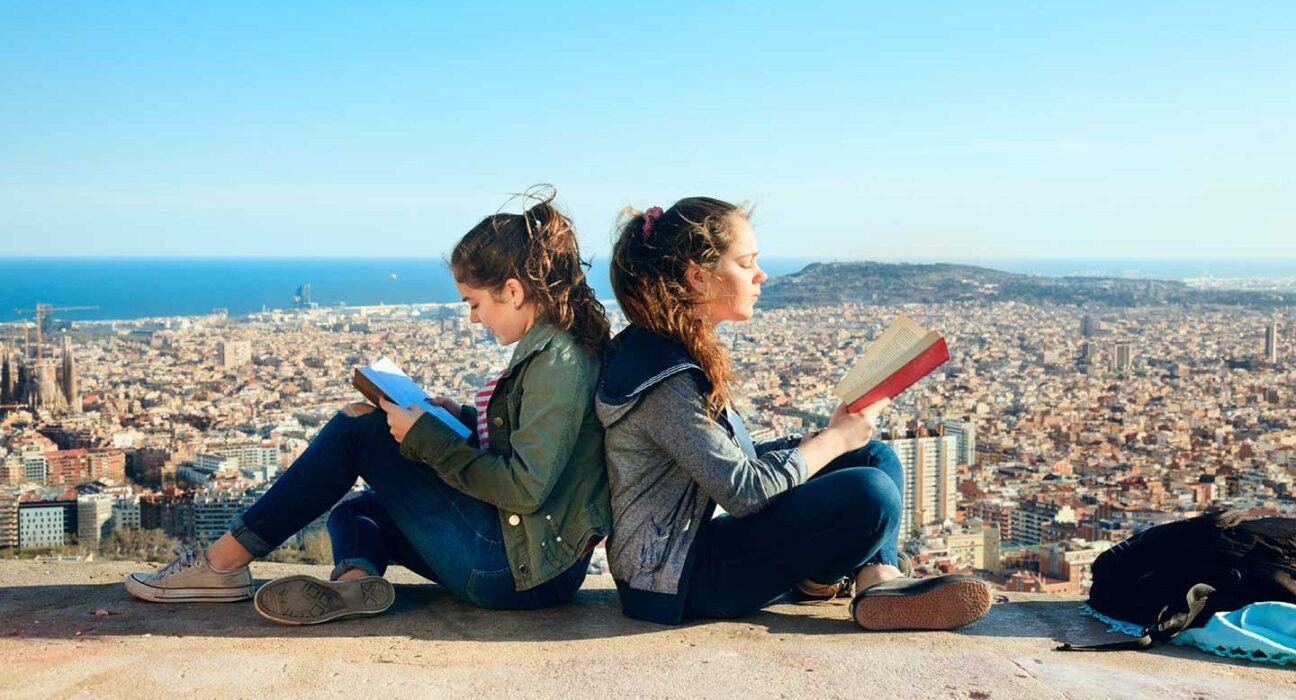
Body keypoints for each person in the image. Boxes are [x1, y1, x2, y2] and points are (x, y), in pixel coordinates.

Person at [125, 187, 613, 625]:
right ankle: (355, 581)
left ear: (512, 290)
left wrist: (426, 436)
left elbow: (524, 488)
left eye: (474, 303)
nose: (471, 318)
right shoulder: (553, 349)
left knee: (357, 432)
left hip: (516, 571)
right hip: (528, 560)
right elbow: (533, 445)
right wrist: (456, 415)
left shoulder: (557, 360)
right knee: (358, 513)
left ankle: (219, 565)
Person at [597, 197, 992, 629]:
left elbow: (721, 462)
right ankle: (847, 581)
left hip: (689, 548)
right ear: (698, 278)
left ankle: (877, 580)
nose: (760, 275)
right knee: (870, 492)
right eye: (746, 263)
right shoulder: (667, 378)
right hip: (671, 578)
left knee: (876, 456)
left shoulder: (667, 346)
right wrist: (832, 441)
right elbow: (743, 491)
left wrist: (828, 444)